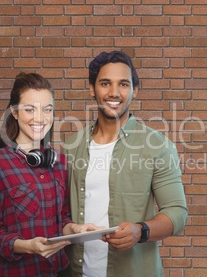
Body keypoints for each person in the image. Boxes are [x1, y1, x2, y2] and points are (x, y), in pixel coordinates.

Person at [64, 51, 188, 277]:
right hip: (76, 271)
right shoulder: (70, 148)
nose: (113, 93)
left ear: (134, 90)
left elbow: (177, 213)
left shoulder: (158, 147)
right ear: (92, 88)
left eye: (123, 84)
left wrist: (140, 231)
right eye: (104, 83)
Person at [0, 72, 99, 277]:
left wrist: (77, 229)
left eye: (47, 109)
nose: (40, 118)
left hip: (57, 271)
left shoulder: (59, 162)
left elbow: (61, 219)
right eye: (30, 109)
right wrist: (28, 246)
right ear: (14, 113)